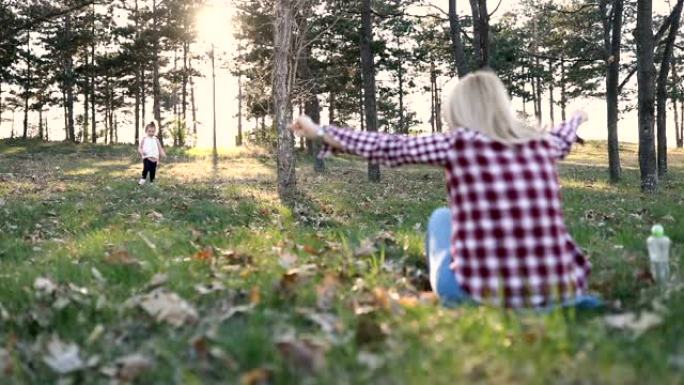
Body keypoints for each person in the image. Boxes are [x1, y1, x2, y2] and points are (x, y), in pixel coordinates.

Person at [289, 70, 600, 309]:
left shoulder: (458, 143)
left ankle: (471, 290)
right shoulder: (542, 144)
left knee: (441, 217)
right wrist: (577, 116)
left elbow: (392, 146)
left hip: (481, 293)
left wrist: (321, 132)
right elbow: (565, 134)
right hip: (561, 289)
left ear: (460, 112)